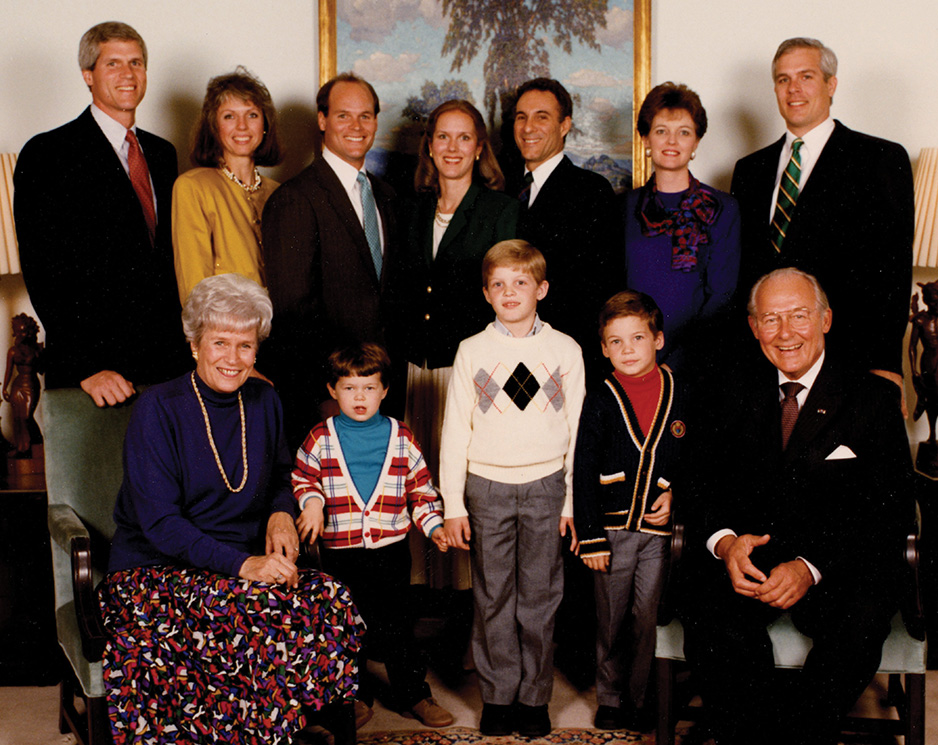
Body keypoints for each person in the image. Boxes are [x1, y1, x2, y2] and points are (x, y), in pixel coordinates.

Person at [99, 273, 364, 743]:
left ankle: (276, 725)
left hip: (240, 563)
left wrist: (283, 511)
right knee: (254, 617)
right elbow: (160, 524)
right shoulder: (157, 408)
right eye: (220, 342)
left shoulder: (265, 399)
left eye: (246, 345)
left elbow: (284, 472)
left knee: (331, 599)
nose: (233, 358)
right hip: (156, 569)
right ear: (195, 344)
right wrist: (246, 565)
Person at [679, 268, 915, 745]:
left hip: (837, 562)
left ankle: (798, 734)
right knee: (712, 620)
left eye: (799, 316)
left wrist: (810, 567)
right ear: (753, 327)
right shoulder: (723, 387)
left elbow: (889, 511)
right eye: (771, 319)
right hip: (749, 557)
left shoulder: (872, 398)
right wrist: (725, 545)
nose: (785, 334)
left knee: (858, 628)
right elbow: (696, 484)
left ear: (825, 319)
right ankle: (756, 734)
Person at [439, 240, 586, 737]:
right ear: (485, 293)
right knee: (493, 596)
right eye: (498, 284)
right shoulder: (473, 351)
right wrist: (453, 503)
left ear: (541, 289)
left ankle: (534, 697)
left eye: (521, 282)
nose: (509, 291)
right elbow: (456, 429)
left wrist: (570, 500)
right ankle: (499, 696)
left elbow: (577, 431)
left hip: (546, 486)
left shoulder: (564, 349)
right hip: (487, 486)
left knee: (539, 597)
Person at [13, 21, 188, 407]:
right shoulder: (47, 154)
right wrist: (87, 367)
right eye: (113, 64)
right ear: (88, 75)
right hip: (95, 374)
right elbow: (43, 269)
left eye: (136, 62)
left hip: (165, 366)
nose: (128, 74)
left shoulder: (162, 154)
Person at [731, 37, 913, 388]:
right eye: (783, 79)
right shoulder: (749, 170)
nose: (793, 88)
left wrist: (887, 364)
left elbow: (893, 270)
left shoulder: (879, 160)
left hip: (850, 359)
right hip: (765, 363)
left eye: (806, 76)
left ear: (831, 84)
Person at [292, 342, 454, 729]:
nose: (359, 397)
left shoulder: (402, 437)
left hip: (391, 549)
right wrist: (312, 503)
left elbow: (421, 490)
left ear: (384, 391)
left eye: (369, 387)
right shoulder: (320, 438)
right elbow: (303, 478)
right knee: (348, 626)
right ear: (333, 390)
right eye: (349, 388)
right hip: (341, 553)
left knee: (397, 624)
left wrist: (433, 526)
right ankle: (355, 695)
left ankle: (413, 693)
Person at [393, 99, 518, 588]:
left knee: (460, 487)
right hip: (413, 370)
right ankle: (422, 596)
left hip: (465, 370)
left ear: (479, 146)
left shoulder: (499, 210)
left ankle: (464, 604)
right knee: (415, 486)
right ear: (429, 145)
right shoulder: (412, 208)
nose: (452, 147)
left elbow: (508, 294)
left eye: (463, 137)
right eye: (442, 136)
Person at [263, 72, 399, 448]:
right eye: (343, 115)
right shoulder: (296, 198)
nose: (356, 126)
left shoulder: (387, 197)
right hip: (330, 397)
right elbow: (293, 313)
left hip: (385, 392)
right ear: (322, 120)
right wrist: (326, 393)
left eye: (366, 116)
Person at [573, 290, 688, 732]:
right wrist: (591, 536)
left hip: (657, 534)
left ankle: (641, 698)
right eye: (615, 342)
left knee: (647, 617)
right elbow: (583, 469)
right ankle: (611, 695)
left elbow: (695, 458)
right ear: (603, 348)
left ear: (658, 340)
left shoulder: (680, 392)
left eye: (637, 338)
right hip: (611, 530)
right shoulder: (601, 397)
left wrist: (677, 496)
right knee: (611, 618)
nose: (627, 350)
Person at [509, 78, 622, 377]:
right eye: (521, 117)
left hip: (563, 359)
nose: (528, 127)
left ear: (565, 125)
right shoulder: (503, 189)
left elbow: (602, 288)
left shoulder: (591, 191)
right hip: (505, 355)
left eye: (541, 117)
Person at [625, 83, 740, 372]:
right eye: (661, 130)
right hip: (632, 355)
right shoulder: (623, 208)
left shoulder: (722, 208)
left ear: (696, 143)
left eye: (684, 132)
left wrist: (677, 359)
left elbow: (722, 295)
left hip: (698, 359)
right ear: (646, 139)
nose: (672, 141)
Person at [172, 67, 283, 304]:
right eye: (229, 116)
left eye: (252, 115)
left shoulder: (280, 194)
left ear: (265, 124)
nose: (242, 126)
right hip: (225, 333)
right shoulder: (193, 187)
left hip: (279, 332)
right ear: (214, 126)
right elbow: (194, 286)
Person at [3, 314, 43, 455]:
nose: (21, 335)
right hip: (17, 384)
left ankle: (37, 443)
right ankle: (23, 448)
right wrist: (4, 388)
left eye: (24, 331)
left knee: (26, 417)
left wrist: (41, 355)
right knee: (18, 418)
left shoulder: (36, 349)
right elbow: (8, 371)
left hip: (31, 383)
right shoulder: (13, 351)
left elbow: (42, 370)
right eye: (19, 332)